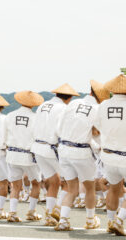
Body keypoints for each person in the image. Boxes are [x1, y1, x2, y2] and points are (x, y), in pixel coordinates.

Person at [54, 80, 108, 231]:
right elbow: (97, 133)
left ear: (90, 92)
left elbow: (59, 127)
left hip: (64, 149)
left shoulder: (73, 103)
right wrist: (98, 146)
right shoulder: (98, 109)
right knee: (89, 188)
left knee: (71, 189)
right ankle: (90, 220)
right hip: (82, 151)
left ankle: (63, 220)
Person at [31, 83, 79, 227]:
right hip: (53, 149)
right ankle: (57, 209)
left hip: (38, 147)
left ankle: (49, 214)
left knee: (54, 182)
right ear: (69, 98)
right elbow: (62, 129)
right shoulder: (64, 108)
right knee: (70, 183)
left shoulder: (42, 105)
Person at [93, 74, 126, 235]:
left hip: (108, 155)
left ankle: (111, 222)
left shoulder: (103, 105)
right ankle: (120, 220)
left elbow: (97, 127)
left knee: (114, 188)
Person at [5, 91, 43, 222]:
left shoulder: (9, 116)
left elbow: (4, 135)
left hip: (12, 154)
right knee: (36, 183)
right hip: (28, 154)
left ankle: (12, 212)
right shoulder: (36, 117)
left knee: (15, 185)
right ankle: (31, 212)